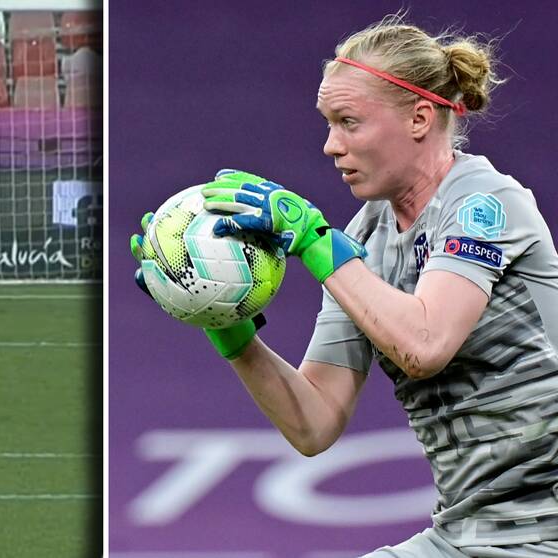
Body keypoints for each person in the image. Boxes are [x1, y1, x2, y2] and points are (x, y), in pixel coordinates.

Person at [132, 14, 558, 557]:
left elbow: (425, 345)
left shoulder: (484, 204)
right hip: (470, 536)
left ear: (419, 118)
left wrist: (316, 243)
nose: (331, 146)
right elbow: (313, 423)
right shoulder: (363, 240)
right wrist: (226, 324)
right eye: (329, 124)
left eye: (349, 122)